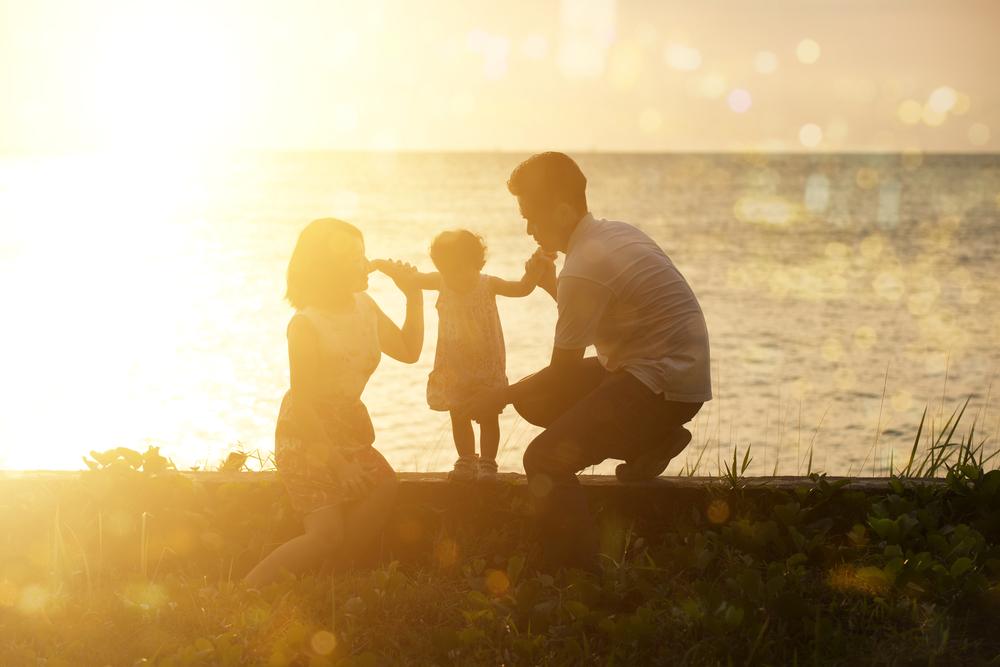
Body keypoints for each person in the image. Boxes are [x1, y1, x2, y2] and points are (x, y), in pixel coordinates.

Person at [462, 152, 712, 570]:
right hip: (668, 376)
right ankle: (652, 441)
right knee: (533, 400)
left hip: (661, 385)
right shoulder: (612, 234)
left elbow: (560, 374)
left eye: (531, 218)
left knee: (542, 461)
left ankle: (577, 576)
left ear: (562, 211)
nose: (527, 229)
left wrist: (495, 398)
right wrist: (549, 286)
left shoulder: (583, 266)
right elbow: (602, 318)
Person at [245, 218, 423, 587]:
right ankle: (246, 589)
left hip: (347, 426)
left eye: (363, 253)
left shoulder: (365, 306)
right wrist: (339, 466)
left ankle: (333, 580)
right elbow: (304, 404)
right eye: (354, 257)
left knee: (384, 484)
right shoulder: (305, 325)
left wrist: (414, 294)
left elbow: (408, 350)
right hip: (307, 435)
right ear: (327, 268)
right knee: (327, 534)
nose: (366, 263)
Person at [414, 229, 544, 482]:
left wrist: (535, 270)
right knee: (457, 412)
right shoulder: (440, 281)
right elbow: (413, 278)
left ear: (477, 264)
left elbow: (521, 289)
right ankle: (466, 459)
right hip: (453, 364)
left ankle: (487, 462)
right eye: (447, 271)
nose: (454, 277)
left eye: (459, 270)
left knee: (488, 414)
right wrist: (389, 269)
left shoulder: (489, 284)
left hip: (486, 363)